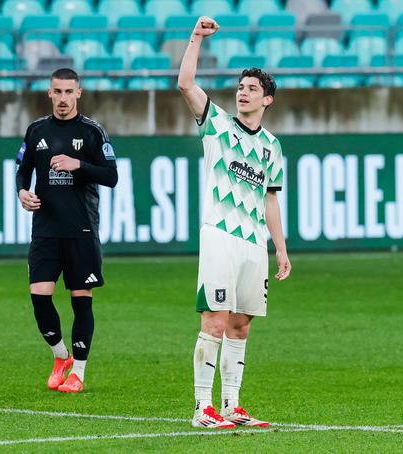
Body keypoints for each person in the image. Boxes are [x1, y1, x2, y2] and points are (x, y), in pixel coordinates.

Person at [178, 16, 292, 429]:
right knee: (215, 318)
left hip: (252, 243)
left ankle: (231, 405)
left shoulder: (271, 147)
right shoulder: (218, 125)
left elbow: (270, 198)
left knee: (241, 323)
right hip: (220, 235)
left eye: (251, 89)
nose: (243, 93)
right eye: (241, 87)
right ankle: (200, 409)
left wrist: (279, 248)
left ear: (267, 100)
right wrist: (196, 38)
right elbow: (186, 85)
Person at [15, 68, 118, 393]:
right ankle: (61, 357)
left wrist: (79, 165)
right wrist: (22, 192)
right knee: (39, 297)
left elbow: (111, 176)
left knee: (80, 300)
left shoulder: (92, 132)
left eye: (68, 92)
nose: (62, 98)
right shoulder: (36, 130)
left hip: (81, 230)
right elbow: (23, 169)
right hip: (45, 230)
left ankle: (79, 373)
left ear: (78, 93)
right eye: (56, 92)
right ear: (49, 93)